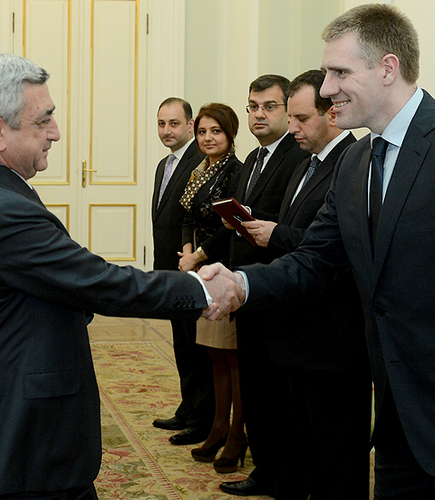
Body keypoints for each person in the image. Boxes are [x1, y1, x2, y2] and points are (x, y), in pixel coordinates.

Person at [200, 4, 435, 500]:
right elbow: (315, 260)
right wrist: (241, 284)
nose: (326, 88)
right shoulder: (356, 161)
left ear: (388, 68)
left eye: (339, 73)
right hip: (397, 428)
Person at [0, 53, 239, 500]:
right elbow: (98, 282)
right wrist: (202, 289)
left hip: (14, 434)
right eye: (43, 120)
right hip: (12, 444)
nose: (55, 132)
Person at [241, 69, 369, 499]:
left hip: (332, 337)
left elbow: (338, 249)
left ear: (331, 114)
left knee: (337, 457)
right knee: (306, 444)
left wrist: (276, 236)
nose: (292, 127)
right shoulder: (305, 164)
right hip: (296, 332)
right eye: (291, 117)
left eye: (301, 118)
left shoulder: (353, 163)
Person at [219, 75, 309, 498]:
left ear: (288, 111)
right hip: (248, 290)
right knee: (254, 386)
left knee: (277, 393)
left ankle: (285, 474)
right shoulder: (254, 158)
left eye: (269, 107)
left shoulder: (297, 156)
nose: (259, 114)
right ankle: (265, 468)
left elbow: (289, 225)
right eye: (253, 107)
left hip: (278, 290)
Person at [176, 103, 247, 469]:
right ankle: (218, 426)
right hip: (201, 272)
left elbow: (230, 227)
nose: (207, 138)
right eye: (202, 132)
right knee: (214, 354)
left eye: (216, 131)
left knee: (232, 357)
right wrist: (188, 253)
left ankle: (237, 432)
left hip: (225, 270)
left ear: (230, 134)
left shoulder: (236, 171)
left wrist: (199, 256)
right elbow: (187, 216)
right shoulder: (198, 169)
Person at [151, 97, 215, 446]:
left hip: (192, 269)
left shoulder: (200, 161)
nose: (166, 130)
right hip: (171, 269)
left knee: (197, 348)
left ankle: (201, 419)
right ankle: (187, 408)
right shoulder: (165, 163)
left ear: (190, 125)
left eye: (174, 123)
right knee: (182, 345)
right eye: (161, 124)